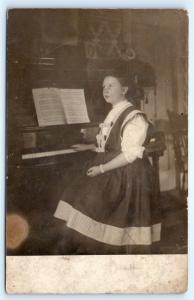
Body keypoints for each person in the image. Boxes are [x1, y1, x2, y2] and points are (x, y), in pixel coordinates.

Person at [54, 72, 161, 254]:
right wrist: (90, 147)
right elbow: (111, 146)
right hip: (113, 167)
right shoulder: (114, 112)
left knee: (95, 206)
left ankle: (96, 252)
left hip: (128, 174)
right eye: (104, 86)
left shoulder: (134, 117)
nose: (105, 90)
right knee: (78, 194)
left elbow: (128, 155)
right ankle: (82, 248)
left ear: (124, 89)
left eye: (111, 85)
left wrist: (101, 168)